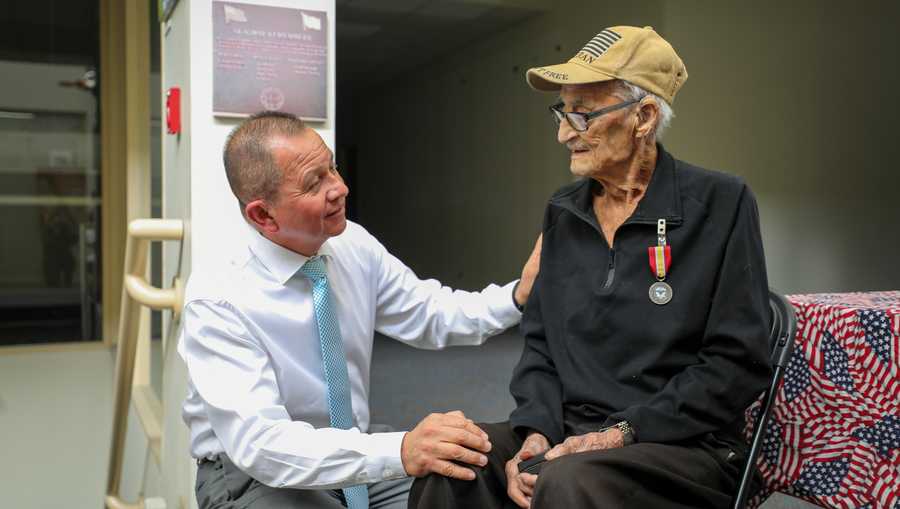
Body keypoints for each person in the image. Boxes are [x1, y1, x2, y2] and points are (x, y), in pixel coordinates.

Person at [409, 25, 773, 509]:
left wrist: (620, 433)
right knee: (452, 467)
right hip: (569, 436)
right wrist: (536, 432)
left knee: (568, 481)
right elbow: (539, 345)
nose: (564, 133)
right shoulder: (565, 210)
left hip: (682, 444)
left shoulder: (720, 203)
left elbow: (736, 362)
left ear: (643, 118)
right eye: (562, 112)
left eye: (582, 116)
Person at [178, 111, 542, 509]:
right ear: (263, 215)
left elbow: (430, 313)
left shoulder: (353, 244)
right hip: (256, 474)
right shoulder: (218, 298)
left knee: (462, 486)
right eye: (314, 182)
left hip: (353, 448)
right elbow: (263, 445)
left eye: (331, 167)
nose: (340, 188)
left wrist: (517, 297)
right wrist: (401, 450)